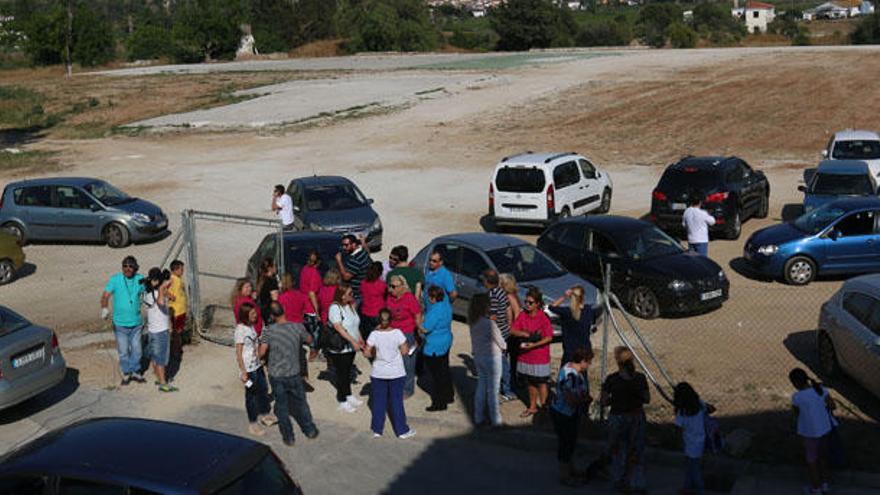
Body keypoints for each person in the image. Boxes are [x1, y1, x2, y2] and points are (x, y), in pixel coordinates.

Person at [258, 302, 319, 446]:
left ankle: (289, 437)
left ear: (272, 316)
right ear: (284, 310)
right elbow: (310, 340)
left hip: (276, 374)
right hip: (294, 372)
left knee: (282, 406)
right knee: (301, 403)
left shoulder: (269, 330)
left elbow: (262, 352)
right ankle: (310, 430)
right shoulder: (297, 327)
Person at [601, 347, 650, 493]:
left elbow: (604, 402)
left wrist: (614, 398)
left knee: (618, 450)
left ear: (617, 361)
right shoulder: (640, 378)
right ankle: (636, 482)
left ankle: (619, 479)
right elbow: (647, 399)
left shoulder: (612, 379)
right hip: (636, 417)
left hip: (618, 417)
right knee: (636, 450)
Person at [363, 308, 416, 439]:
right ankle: (402, 431)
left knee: (379, 401)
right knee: (396, 401)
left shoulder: (374, 334)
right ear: (391, 320)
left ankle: (377, 429)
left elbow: (366, 353)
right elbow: (404, 351)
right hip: (396, 372)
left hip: (378, 372)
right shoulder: (398, 333)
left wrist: (374, 352)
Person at [551, 348, 594, 487]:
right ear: (582, 361)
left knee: (570, 442)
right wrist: (585, 400)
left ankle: (571, 469)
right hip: (563, 413)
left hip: (569, 413)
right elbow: (570, 400)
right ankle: (565, 475)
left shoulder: (572, 369)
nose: (589, 365)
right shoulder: (571, 376)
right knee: (566, 444)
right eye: (588, 362)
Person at [101, 256, 147, 385]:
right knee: (123, 350)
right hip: (120, 324)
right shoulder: (115, 279)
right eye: (125, 266)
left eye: (130, 266)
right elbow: (105, 295)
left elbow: (148, 292)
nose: (127, 268)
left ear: (135, 268)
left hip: (136, 323)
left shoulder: (140, 279)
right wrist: (104, 308)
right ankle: (126, 373)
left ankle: (136, 371)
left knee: (137, 349)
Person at [789, 368, 836, 495]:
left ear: (795, 384)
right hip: (825, 429)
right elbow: (833, 406)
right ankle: (825, 484)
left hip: (809, 432)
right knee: (823, 457)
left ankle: (816, 488)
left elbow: (796, 413)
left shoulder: (797, 397)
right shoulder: (821, 390)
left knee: (812, 460)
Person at [510, 287, 553, 418]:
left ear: (538, 304)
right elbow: (512, 330)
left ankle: (544, 408)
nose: (527, 304)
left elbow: (549, 337)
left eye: (530, 302)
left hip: (539, 356)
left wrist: (533, 344)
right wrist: (523, 333)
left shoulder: (543, 318)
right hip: (525, 356)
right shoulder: (523, 315)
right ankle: (533, 407)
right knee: (530, 382)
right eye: (526, 302)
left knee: (541, 382)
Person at [234, 302, 276, 436]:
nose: (255, 315)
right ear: (245, 315)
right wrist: (243, 371)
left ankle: (265, 415)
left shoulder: (251, 327)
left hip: (257, 365)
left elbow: (254, 344)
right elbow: (238, 352)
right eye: (252, 314)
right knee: (251, 396)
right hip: (248, 368)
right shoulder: (240, 330)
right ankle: (253, 424)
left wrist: (259, 357)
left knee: (263, 388)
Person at [468, 293, 506, 427]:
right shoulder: (489, 323)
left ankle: (478, 417)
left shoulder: (473, 322)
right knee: (493, 390)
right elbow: (501, 342)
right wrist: (505, 347)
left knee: (481, 387)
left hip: (479, 356)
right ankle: (496, 420)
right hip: (493, 358)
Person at [327, 283, 365, 413]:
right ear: (342, 296)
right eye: (349, 294)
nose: (352, 295)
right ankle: (342, 399)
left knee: (348, 371)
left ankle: (348, 395)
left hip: (351, 346)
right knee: (342, 373)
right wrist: (353, 341)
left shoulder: (350, 306)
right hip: (341, 347)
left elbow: (355, 324)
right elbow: (339, 328)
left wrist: (359, 338)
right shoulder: (334, 308)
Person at [674, 382, 716, 495]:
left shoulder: (681, 412)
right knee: (691, 466)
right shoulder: (699, 404)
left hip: (689, 443)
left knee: (693, 469)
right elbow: (712, 409)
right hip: (700, 441)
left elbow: (678, 428)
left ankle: (699, 490)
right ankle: (687, 487)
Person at [386, 275, 423, 398]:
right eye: (390, 286)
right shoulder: (390, 298)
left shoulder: (409, 299)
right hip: (393, 333)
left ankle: (408, 389)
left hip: (407, 334)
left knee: (407, 363)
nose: (391, 289)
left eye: (394, 286)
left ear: (402, 287)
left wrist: (418, 332)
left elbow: (417, 315)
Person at [143, 267, 178, 392]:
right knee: (161, 359)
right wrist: (163, 287)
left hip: (153, 330)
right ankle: (163, 383)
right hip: (160, 332)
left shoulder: (148, 294)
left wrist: (167, 292)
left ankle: (159, 377)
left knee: (155, 357)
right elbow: (161, 303)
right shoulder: (158, 294)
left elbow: (165, 301)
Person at [482, 269, 515, 402]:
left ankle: (505, 391)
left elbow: (493, 317)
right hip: (503, 332)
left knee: (499, 364)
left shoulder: (492, 295)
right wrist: (508, 325)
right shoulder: (501, 292)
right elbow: (508, 309)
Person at [421, 286, 454, 412]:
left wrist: (418, 325)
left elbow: (426, 328)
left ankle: (439, 402)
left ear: (433, 298)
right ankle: (449, 396)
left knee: (437, 376)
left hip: (434, 345)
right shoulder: (446, 306)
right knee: (444, 370)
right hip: (446, 340)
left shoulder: (434, 311)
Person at [278, 272, 313, 390]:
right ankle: (303, 376)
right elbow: (308, 310)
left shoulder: (281, 298)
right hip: (298, 327)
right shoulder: (301, 295)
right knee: (299, 353)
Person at [548, 286, 594, 365]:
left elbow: (552, 307)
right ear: (583, 297)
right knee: (582, 374)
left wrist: (564, 296)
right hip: (585, 349)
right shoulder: (588, 310)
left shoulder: (567, 312)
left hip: (570, 351)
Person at [500, 273, 523, 387]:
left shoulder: (509, 296)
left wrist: (511, 329)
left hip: (511, 332)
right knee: (513, 358)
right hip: (512, 331)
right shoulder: (514, 295)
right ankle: (513, 381)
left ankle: (511, 383)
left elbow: (517, 313)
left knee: (510, 358)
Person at [299, 249, 323, 359]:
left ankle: (311, 349)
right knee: (315, 331)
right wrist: (317, 311)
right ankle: (314, 351)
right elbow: (312, 293)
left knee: (308, 329)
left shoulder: (304, 269)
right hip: (311, 306)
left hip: (303, 304)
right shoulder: (314, 273)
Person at [335, 234, 371, 302]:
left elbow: (346, 277)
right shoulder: (362, 252)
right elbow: (368, 252)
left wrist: (339, 261)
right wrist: (363, 242)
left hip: (356, 294)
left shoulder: (355, 260)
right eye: (343, 245)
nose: (344, 247)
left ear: (354, 244)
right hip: (363, 290)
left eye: (346, 245)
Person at [359, 261, 387, 342]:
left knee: (368, 334)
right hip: (377, 312)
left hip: (365, 312)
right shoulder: (381, 284)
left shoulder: (363, 283)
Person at [167, 259, 187, 362]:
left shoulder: (178, 278)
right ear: (175, 270)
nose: (182, 271)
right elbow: (163, 289)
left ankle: (177, 348)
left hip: (181, 309)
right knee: (176, 332)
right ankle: (175, 351)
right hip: (176, 310)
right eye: (181, 269)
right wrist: (171, 296)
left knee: (179, 330)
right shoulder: (172, 279)